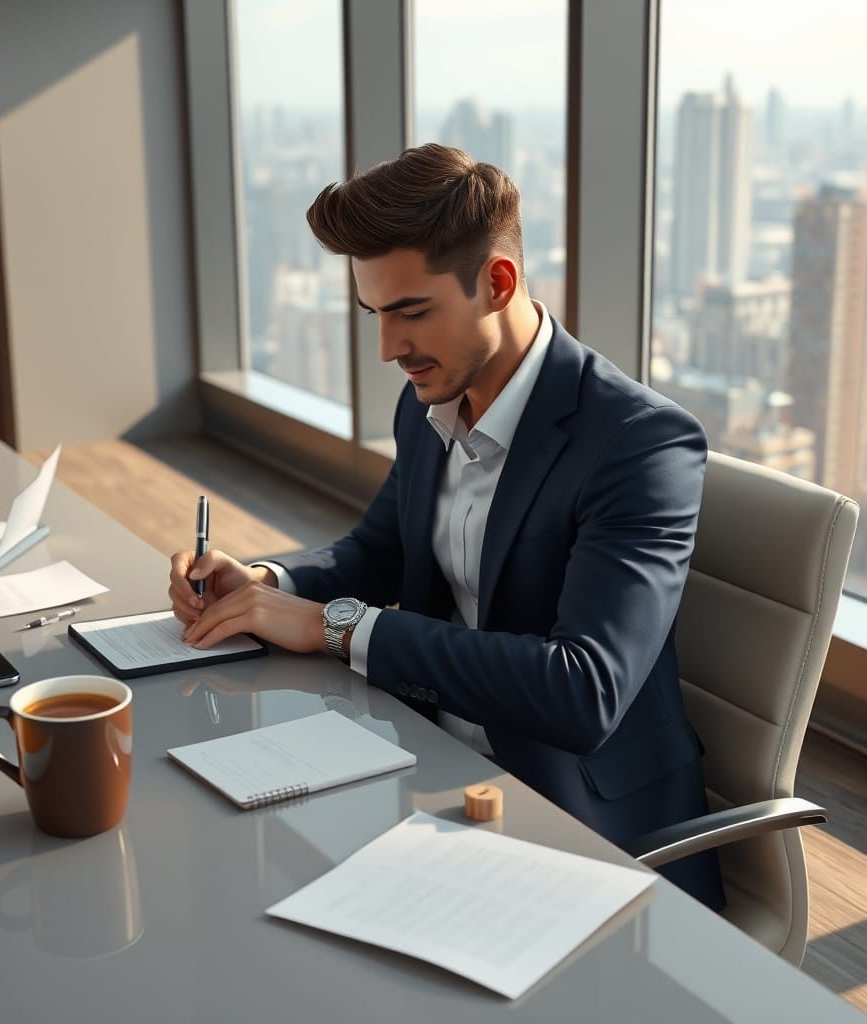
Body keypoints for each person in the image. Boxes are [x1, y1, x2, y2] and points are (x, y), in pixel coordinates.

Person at [169, 143, 725, 910]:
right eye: (374, 314)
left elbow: (584, 690)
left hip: (582, 821)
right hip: (428, 766)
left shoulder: (639, 443)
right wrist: (269, 584)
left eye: (411, 312)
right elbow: (379, 551)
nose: (387, 349)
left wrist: (335, 627)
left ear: (498, 283)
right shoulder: (428, 398)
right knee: (237, 866)